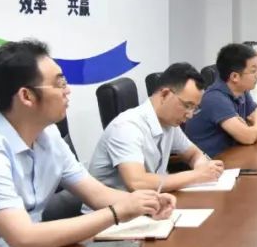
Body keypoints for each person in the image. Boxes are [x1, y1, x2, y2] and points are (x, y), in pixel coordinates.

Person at [0, 40, 175, 247]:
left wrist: (146, 204)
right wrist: (117, 212)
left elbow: (97, 194)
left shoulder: (48, 135)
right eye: (59, 84)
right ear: (27, 96)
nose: (67, 90)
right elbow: (24, 239)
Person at [86, 62, 224, 194]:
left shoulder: (170, 123)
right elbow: (136, 183)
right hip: (110, 207)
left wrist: (201, 166)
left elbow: (194, 154)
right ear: (165, 95)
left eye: (195, 108)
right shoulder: (126, 127)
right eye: (187, 106)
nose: (190, 115)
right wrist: (196, 176)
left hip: (147, 203)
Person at [184, 43, 257, 157]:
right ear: (234, 77)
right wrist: (255, 128)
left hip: (233, 156)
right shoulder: (215, 98)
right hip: (211, 161)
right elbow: (248, 137)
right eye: (253, 71)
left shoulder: (242, 91)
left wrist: (253, 128)